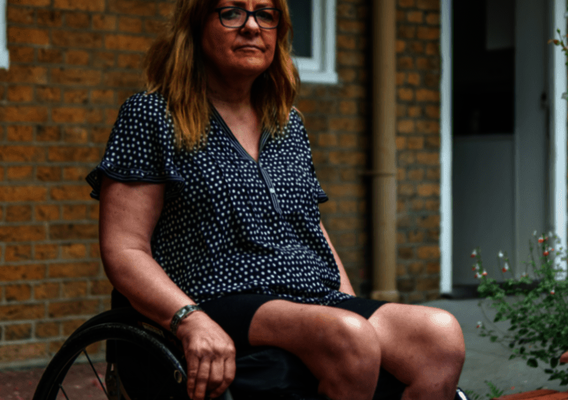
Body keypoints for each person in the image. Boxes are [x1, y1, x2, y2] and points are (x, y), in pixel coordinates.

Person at [86, 1, 466, 399]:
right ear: (195, 26)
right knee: (350, 337)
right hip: (216, 295)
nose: (252, 27)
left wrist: (347, 301)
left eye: (265, 14)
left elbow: (309, 227)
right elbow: (125, 248)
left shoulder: (287, 123)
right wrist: (188, 317)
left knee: (438, 337)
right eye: (232, 12)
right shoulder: (152, 116)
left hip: (307, 294)